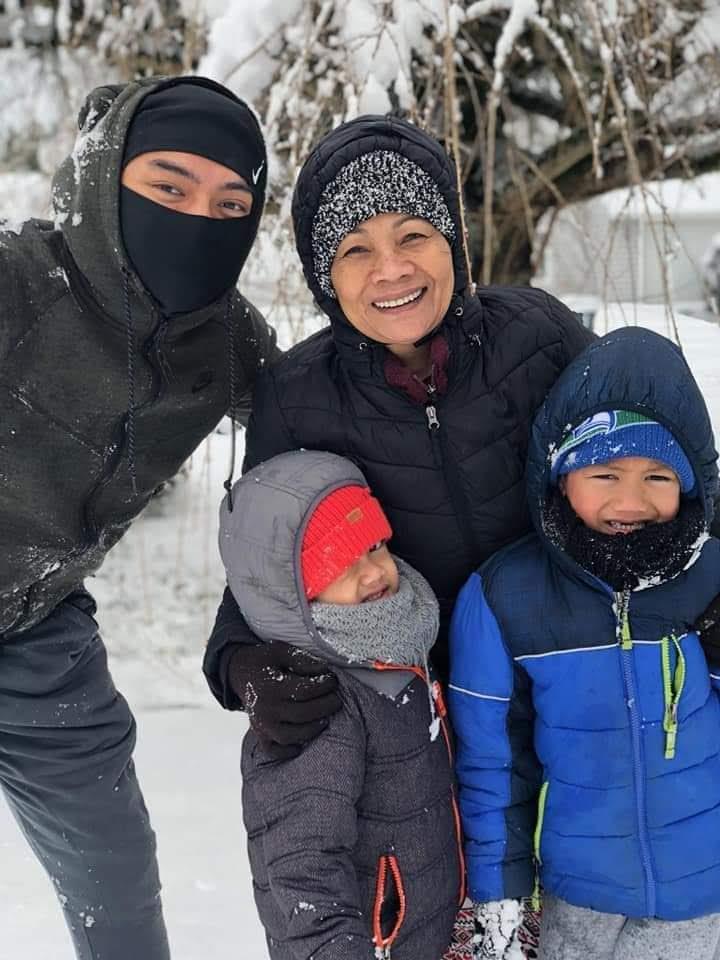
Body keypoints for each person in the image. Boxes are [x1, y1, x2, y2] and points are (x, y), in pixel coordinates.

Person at [203, 113, 595, 742]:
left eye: (413, 235)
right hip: (417, 716)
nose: (391, 270)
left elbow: (649, 455)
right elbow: (267, 552)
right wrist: (236, 659)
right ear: (323, 277)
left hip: (574, 680)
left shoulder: (539, 334)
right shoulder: (296, 397)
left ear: (452, 243)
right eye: (356, 249)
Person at [0, 75, 278, 959]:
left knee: (116, 885)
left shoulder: (223, 337)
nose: (199, 216)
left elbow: (328, 421)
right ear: (105, 177)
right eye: (168, 185)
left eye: (230, 202)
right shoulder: (16, 282)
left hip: (39, 634)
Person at [449, 327, 720, 960]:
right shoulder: (505, 596)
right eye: (604, 472)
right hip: (575, 902)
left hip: (704, 896)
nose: (632, 501)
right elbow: (491, 765)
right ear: (559, 475)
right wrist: (499, 894)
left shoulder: (710, 577)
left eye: (658, 475)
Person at [219, 448, 465, 959]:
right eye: (339, 559)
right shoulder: (310, 699)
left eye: (374, 545)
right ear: (288, 588)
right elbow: (301, 871)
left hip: (426, 932)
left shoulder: (400, 643)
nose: (374, 572)